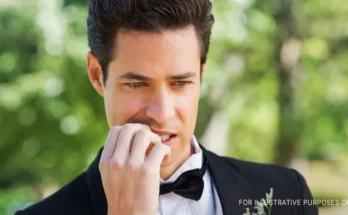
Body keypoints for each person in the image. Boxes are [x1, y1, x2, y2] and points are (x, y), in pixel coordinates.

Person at [15, 0, 318, 214]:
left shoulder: (286, 193)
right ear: (97, 76)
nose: (162, 113)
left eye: (180, 83)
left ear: (201, 74)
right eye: (136, 84)